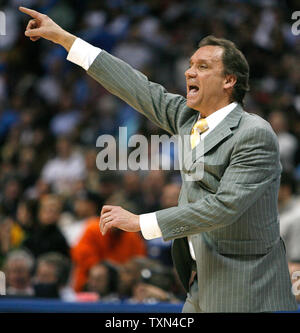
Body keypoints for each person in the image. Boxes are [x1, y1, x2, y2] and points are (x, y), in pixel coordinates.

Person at [20, 7, 298, 312]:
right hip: (200, 284)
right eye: (190, 65)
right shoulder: (187, 118)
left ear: (229, 80)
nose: (189, 72)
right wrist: (65, 39)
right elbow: (135, 85)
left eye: (202, 67)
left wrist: (141, 222)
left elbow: (224, 207)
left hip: (248, 289)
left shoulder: (254, 132)